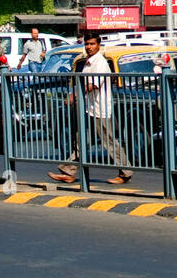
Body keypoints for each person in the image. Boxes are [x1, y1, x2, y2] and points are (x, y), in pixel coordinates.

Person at [49, 32, 131, 186]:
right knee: (81, 141)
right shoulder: (88, 61)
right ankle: (68, 171)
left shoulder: (99, 62)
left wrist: (75, 95)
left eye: (92, 44)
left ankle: (125, 172)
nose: (89, 47)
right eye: (87, 44)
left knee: (109, 141)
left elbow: (93, 85)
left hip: (101, 109)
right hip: (89, 107)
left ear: (98, 45)